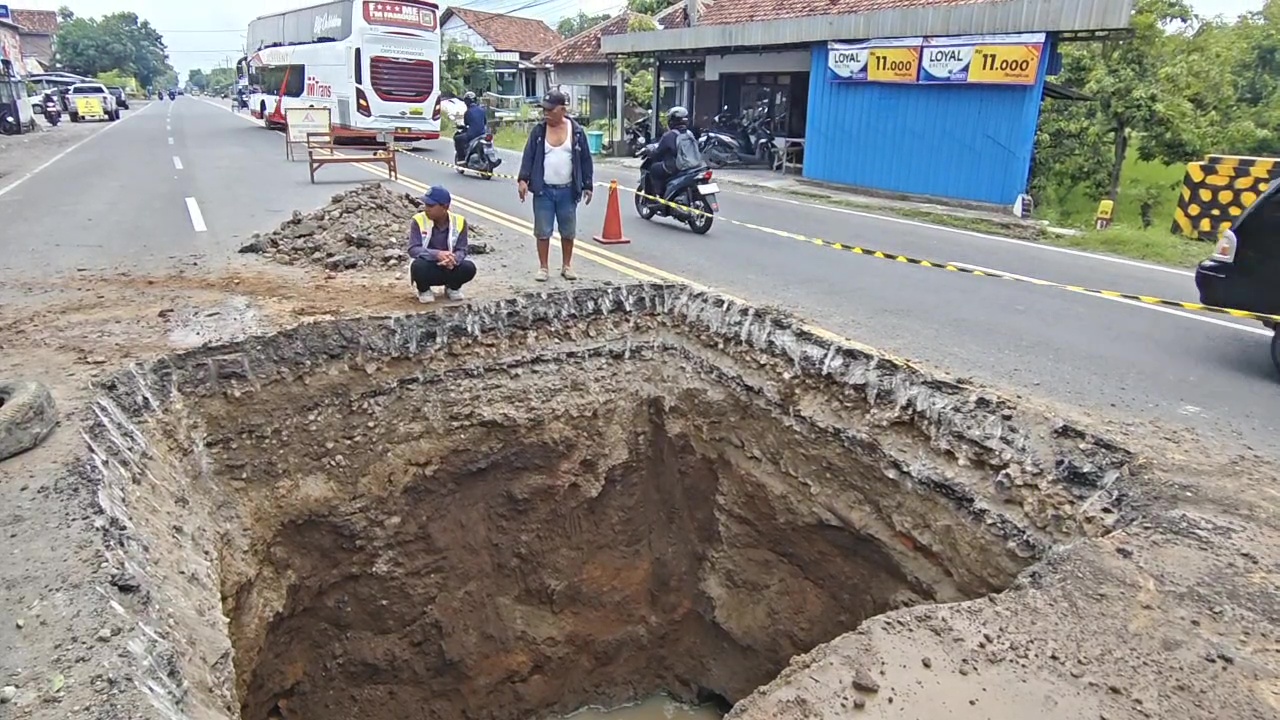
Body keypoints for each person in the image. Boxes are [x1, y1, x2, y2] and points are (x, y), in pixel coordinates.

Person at [517, 89, 593, 282]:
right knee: (543, 231)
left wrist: (587, 185)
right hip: (544, 190)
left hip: (568, 190)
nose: (546, 114)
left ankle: (567, 266)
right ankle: (543, 267)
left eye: (551, 110)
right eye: (544, 110)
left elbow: (585, 160)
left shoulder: (576, 132)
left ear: (562, 110)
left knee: (568, 230)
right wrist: (523, 180)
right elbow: (529, 156)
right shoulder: (539, 131)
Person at [407, 185, 476, 303]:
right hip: (428, 266)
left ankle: (452, 287)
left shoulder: (459, 222)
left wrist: (454, 259)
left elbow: (462, 249)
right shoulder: (418, 220)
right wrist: (437, 254)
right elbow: (413, 249)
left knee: (469, 268)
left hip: (449, 267)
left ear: (445, 207)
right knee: (418, 267)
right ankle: (424, 289)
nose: (426, 208)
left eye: (431, 206)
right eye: (426, 205)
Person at [647, 106, 701, 198]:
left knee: (654, 168)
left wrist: (651, 152)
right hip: (693, 165)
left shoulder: (669, 135)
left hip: (677, 167)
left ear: (672, 121)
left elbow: (658, 152)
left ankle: (660, 195)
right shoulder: (689, 133)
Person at [454, 91, 487, 164]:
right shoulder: (482, 110)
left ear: (466, 102)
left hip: (472, 135)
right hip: (483, 134)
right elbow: (484, 122)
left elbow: (467, 124)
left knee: (457, 138)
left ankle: (461, 158)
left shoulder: (468, 112)